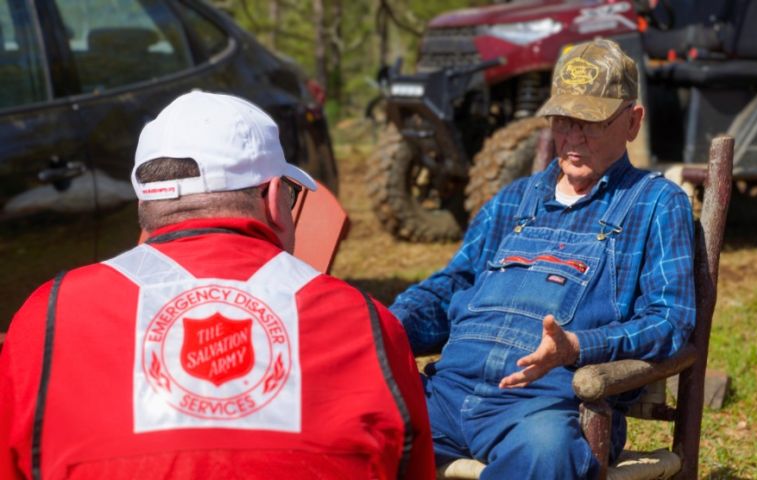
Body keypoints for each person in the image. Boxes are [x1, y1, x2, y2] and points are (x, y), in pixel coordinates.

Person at [0, 91, 434, 480]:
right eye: (290, 195)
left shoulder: (48, 318)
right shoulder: (364, 322)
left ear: (146, 206)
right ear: (272, 198)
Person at [391, 39, 696, 479]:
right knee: (350, 416)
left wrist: (576, 347)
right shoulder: (515, 199)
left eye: (589, 123)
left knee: (546, 455)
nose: (573, 139)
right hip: (447, 391)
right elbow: (452, 285)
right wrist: (386, 325)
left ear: (633, 121)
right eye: (562, 122)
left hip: (545, 405)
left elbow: (670, 320)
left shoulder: (654, 204)